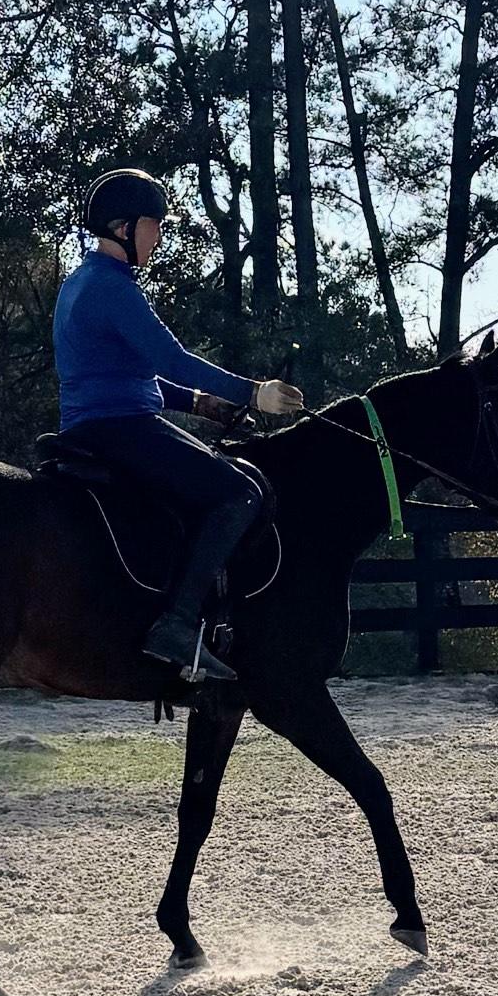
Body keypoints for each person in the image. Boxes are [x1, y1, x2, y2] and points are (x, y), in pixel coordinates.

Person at [53, 167, 303, 681]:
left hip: (98, 423)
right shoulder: (112, 288)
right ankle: (178, 624)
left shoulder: (81, 283)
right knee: (240, 493)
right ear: (124, 227)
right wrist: (253, 392)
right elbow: (171, 358)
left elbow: (125, 374)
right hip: (120, 427)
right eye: (155, 225)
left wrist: (199, 403)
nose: (159, 236)